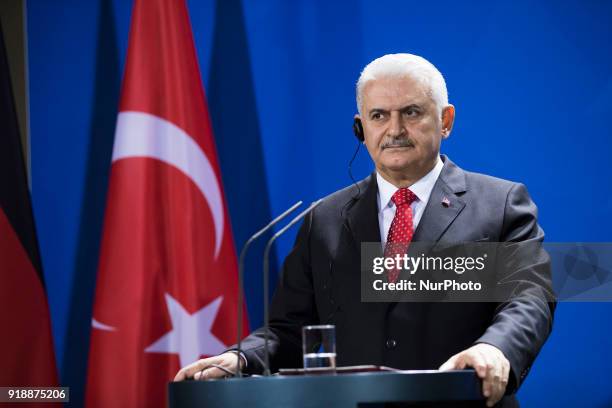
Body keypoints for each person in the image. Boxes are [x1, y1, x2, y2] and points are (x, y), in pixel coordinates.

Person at [175, 53, 555, 408]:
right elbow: (289, 329)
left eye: (411, 112)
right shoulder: (324, 219)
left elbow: (528, 298)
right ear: (360, 127)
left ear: (446, 120)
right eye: (379, 116)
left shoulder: (501, 204)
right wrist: (239, 357)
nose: (395, 129)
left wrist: (495, 349)